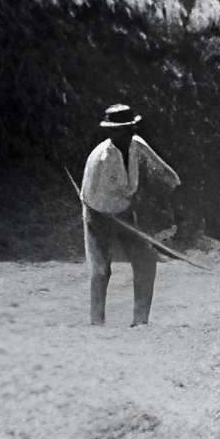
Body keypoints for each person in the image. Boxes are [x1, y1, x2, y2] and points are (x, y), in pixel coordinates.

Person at [80, 103, 181, 327]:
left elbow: (162, 172)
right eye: (121, 129)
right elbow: (97, 200)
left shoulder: (138, 145)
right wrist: (129, 215)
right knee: (100, 268)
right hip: (97, 213)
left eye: (130, 128)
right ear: (111, 131)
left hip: (125, 211)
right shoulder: (100, 159)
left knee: (146, 260)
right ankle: (97, 321)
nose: (128, 133)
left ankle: (140, 320)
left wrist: (170, 194)